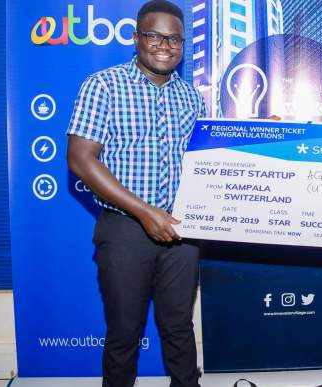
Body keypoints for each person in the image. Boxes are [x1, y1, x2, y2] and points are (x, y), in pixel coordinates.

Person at [66, 1, 207, 386]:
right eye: (154, 35)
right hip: (125, 228)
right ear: (135, 38)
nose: (165, 45)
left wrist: (272, 134)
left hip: (182, 231)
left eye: (174, 38)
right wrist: (146, 213)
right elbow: (81, 160)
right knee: (124, 334)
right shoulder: (103, 85)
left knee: (179, 328)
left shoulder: (192, 98)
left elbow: (210, 157)